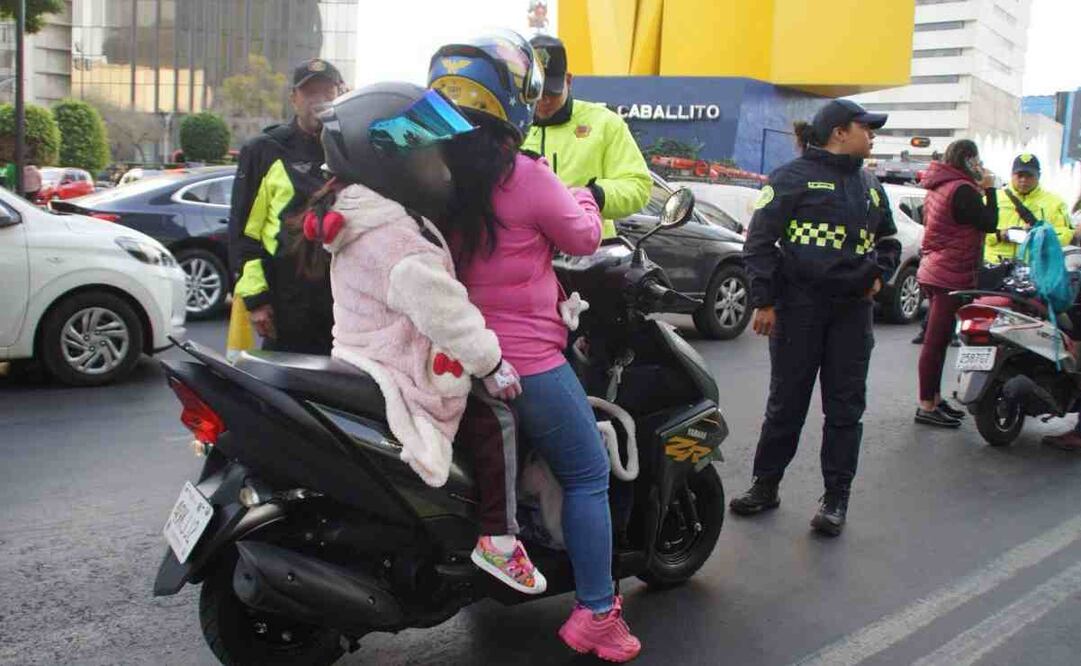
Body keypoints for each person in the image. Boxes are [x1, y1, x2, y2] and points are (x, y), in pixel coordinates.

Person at [429, 32, 641, 662]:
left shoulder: (431, 170)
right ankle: (598, 612)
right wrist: (583, 193)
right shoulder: (523, 174)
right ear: (515, 102)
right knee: (587, 472)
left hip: (445, 350)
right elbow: (580, 235)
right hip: (524, 358)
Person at [313, 82, 548, 595]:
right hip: (403, 368)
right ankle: (499, 540)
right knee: (498, 416)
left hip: (364, 353)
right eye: (428, 153)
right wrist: (490, 364)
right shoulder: (396, 242)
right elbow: (448, 314)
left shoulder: (363, 211)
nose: (440, 166)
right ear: (387, 161)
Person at [730, 99, 901, 537]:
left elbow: (888, 243)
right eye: (867, 128)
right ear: (839, 133)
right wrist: (764, 301)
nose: (873, 136)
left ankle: (835, 499)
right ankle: (765, 485)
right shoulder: (791, 179)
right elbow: (759, 244)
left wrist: (878, 277)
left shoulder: (870, 186)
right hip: (798, 311)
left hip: (851, 314)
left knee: (845, 409)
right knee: (786, 405)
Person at [228, 58, 343, 354]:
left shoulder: (353, 149)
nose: (319, 100)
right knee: (287, 391)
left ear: (341, 94)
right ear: (294, 98)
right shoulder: (265, 150)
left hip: (347, 302)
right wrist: (256, 300)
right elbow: (244, 232)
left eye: (327, 92)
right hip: (288, 301)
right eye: (310, 93)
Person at [520, 35, 650, 239]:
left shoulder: (605, 123)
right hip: (529, 255)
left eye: (552, 92)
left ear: (568, 80)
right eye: (536, 91)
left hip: (590, 258)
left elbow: (638, 185)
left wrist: (595, 195)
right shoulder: (511, 127)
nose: (543, 100)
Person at [914, 140, 999, 428]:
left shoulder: (941, 185)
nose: (979, 165)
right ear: (967, 159)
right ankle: (926, 405)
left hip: (937, 268)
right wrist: (990, 189)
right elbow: (989, 222)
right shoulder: (962, 189)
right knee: (935, 343)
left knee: (937, 342)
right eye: (976, 160)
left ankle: (935, 399)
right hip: (949, 273)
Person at [984, 153, 1073, 264]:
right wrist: (1000, 234)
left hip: (1033, 269)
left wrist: (1038, 236)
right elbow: (975, 233)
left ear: (1039, 176)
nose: (1024, 180)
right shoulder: (992, 198)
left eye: (1029, 175)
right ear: (1012, 175)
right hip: (994, 266)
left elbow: (1066, 235)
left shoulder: (1055, 203)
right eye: (1019, 175)